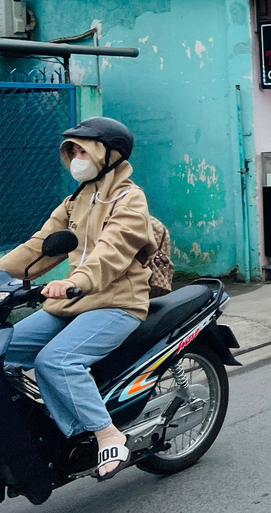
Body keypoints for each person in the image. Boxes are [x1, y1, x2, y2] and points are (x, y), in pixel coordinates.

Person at [0, 117, 156, 480]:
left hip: (117, 301)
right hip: (72, 302)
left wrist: (76, 282)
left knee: (55, 361)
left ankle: (106, 434)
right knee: (7, 349)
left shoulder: (129, 199)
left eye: (83, 150)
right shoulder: (75, 200)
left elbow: (113, 250)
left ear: (108, 155)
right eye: (72, 150)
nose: (75, 157)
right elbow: (38, 247)